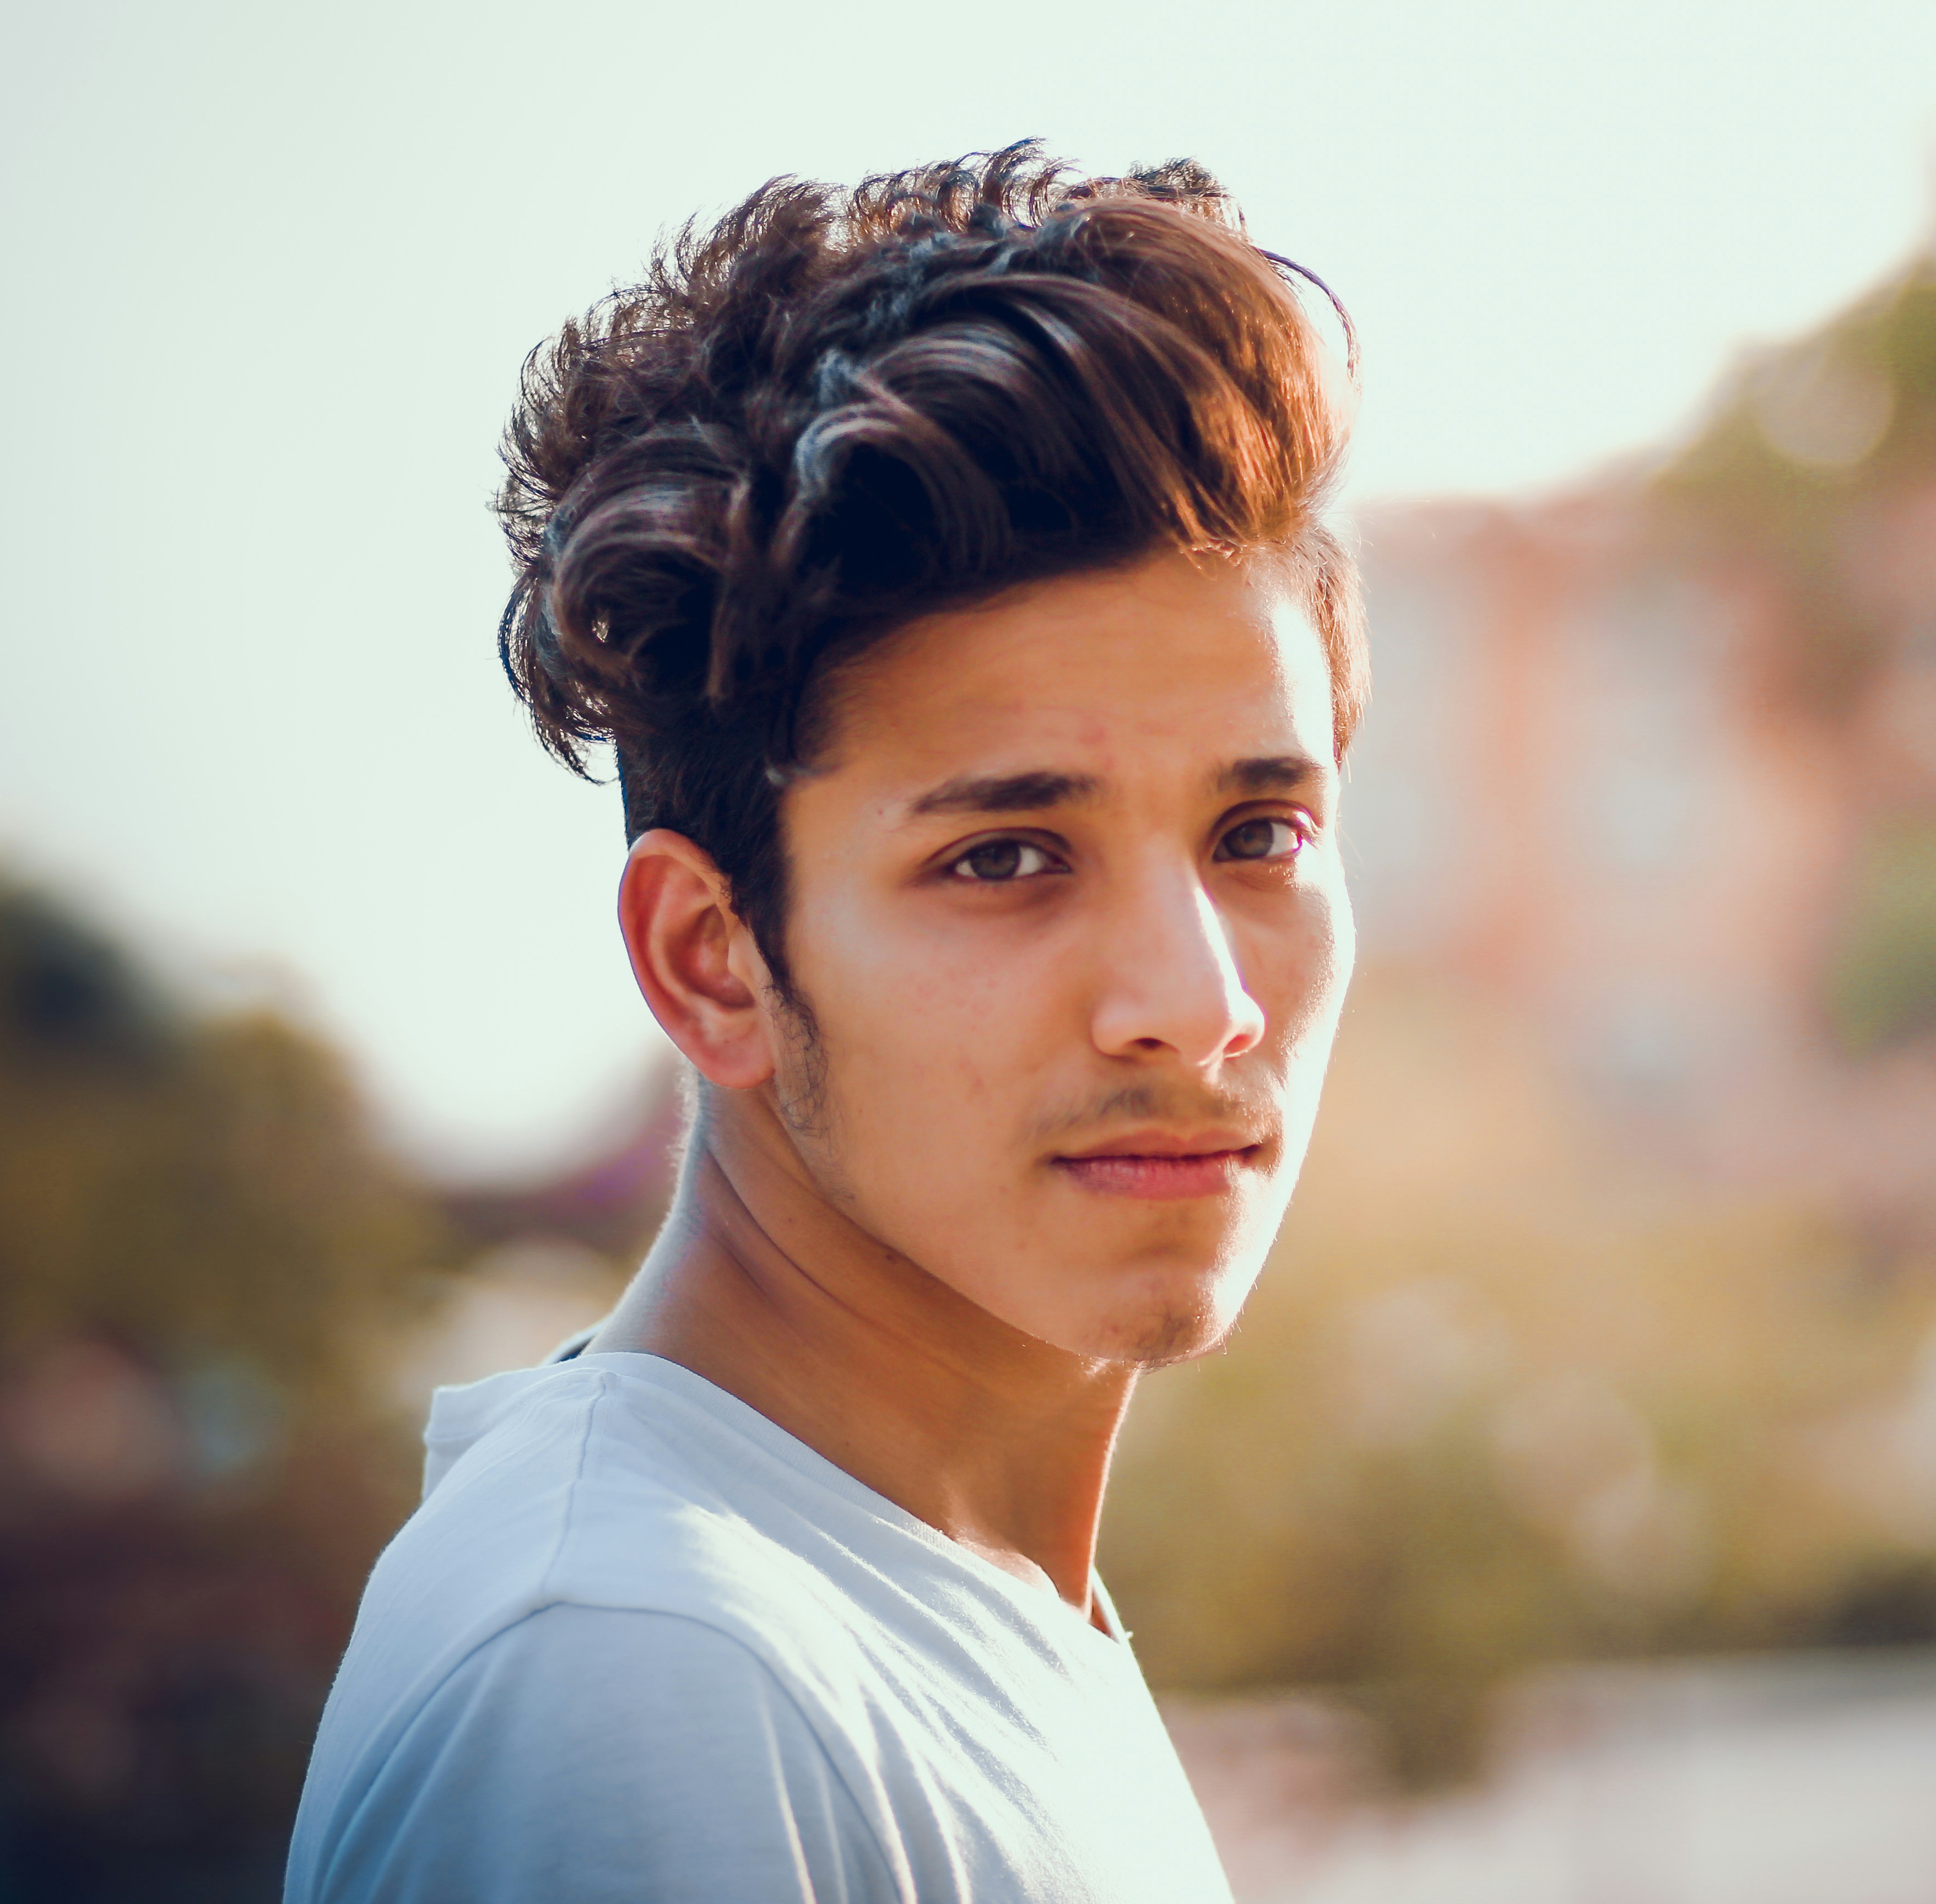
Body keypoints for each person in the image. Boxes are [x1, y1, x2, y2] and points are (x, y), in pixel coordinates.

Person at [283, 144, 1363, 1903]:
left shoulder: (910, 1606)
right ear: (713, 959)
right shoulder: (642, 1678)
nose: (1200, 1005)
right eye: (1008, 856)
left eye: (1258, 836)